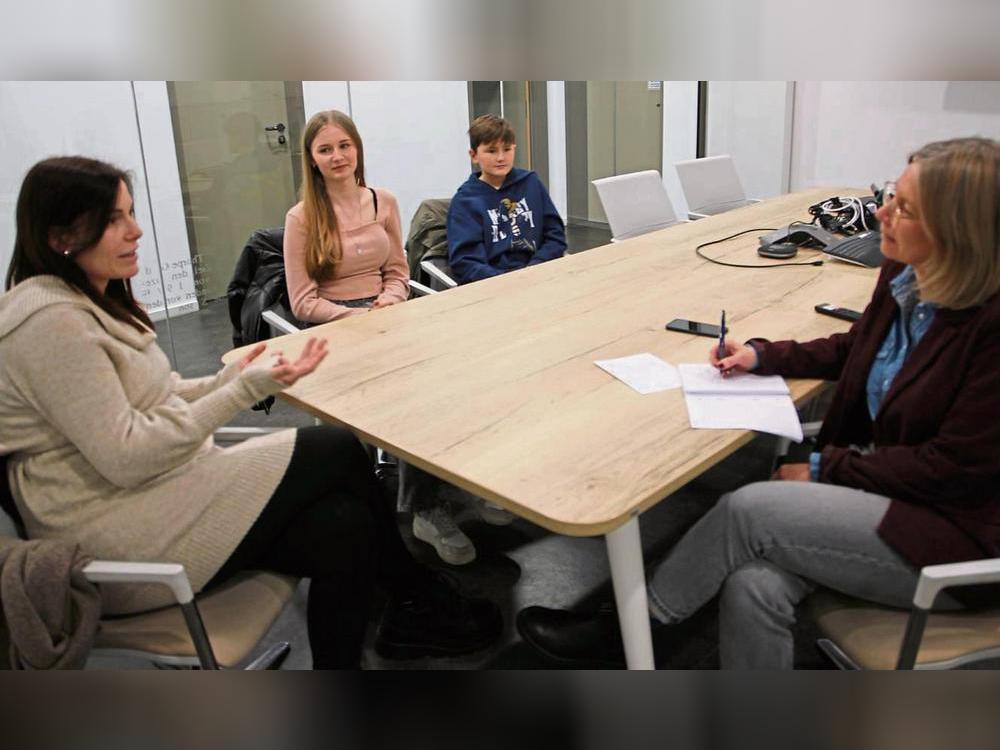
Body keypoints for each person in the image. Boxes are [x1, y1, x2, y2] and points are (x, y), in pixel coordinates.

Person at [516, 136, 1000, 668]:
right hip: (888, 490)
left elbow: (953, 470)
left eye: (903, 208)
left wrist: (822, 468)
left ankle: (633, 629)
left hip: (953, 536)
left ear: (958, 232)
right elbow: (855, 347)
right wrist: (763, 355)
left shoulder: (989, 328)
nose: (880, 212)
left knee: (748, 509)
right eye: (888, 194)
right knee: (753, 585)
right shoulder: (906, 274)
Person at [0, 156, 501, 669]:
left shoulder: (83, 302)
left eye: (131, 213)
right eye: (114, 220)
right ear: (62, 235)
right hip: (120, 533)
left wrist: (229, 378)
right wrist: (241, 392)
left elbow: (156, 394)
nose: (137, 230)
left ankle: (383, 636)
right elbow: (127, 455)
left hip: (152, 495)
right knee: (334, 447)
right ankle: (416, 594)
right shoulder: (50, 325)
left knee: (344, 527)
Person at [284, 110, 509, 567]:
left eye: (344, 146)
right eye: (325, 149)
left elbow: (399, 272)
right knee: (400, 401)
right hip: (335, 326)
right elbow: (303, 300)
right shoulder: (302, 217)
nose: (337, 156)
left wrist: (388, 299)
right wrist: (356, 316)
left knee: (447, 382)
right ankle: (425, 507)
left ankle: (449, 491)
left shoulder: (382, 201)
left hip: (388, 314)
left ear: (357, 148)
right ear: (311, 159)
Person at [447, 114, 567, 284]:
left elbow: (555, 236)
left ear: (514, 149)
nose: (501, 158)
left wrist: (536, 266)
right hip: (494, 284)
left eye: (507, 149)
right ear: (473, 155)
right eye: (491, 151)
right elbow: (466, 262)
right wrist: (508, 281)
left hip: (539, 274)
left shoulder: (531, 183)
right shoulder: (465, 201)